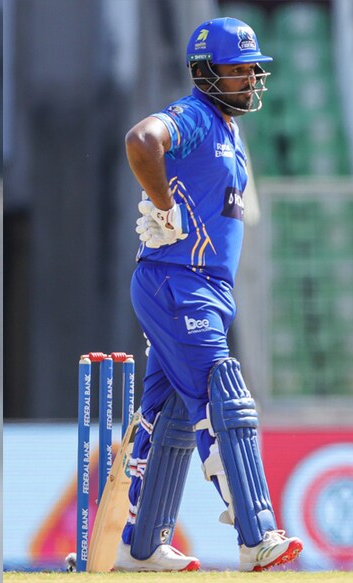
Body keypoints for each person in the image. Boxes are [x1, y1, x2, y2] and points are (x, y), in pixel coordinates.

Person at [119, 17, 302, 572]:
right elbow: (141, 140)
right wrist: (164, 206)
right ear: (204, 73)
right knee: (226, 397)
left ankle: (141, 547)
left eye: (253, 69)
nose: (251, 79)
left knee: (171, 414)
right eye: (238, 69)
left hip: (201, 288)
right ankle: (257, 536)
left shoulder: (227, 127)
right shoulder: (195, 115)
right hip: (180, 282)